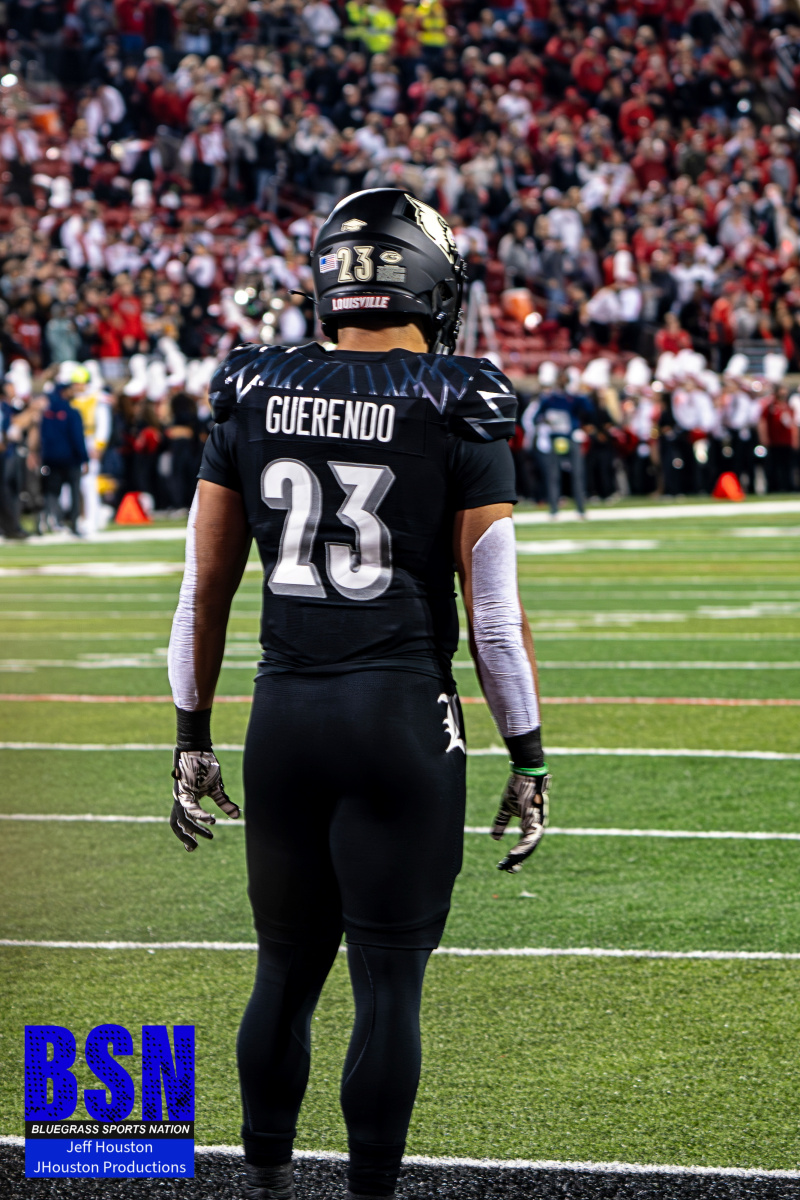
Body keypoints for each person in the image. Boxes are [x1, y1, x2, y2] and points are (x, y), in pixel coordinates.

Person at [165, 189, 551, 1200]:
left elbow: (202, 591)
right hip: (399, 720)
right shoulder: (457, 397)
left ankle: (263, 1180)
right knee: (387, 985)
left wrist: (191, 734)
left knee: (282, 972)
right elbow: (494, 618)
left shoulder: (252, 387)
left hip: (282, 717)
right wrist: (528, 756)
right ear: (426, 286)